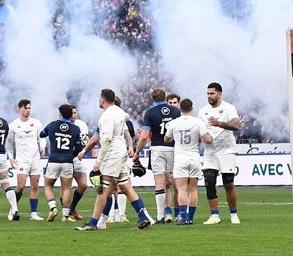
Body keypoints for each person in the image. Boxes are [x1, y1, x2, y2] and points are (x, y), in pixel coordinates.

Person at [75, 88, 154, 231]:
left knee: (102, 190)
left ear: (103, 99)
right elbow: (126, 125)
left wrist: (99, 160)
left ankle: (93, 223)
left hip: (112, 154)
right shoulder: (119, 112)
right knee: (126, 187)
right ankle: (143, 218)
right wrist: (129, 146)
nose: (99, 100)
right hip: (121, 152)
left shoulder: (106, 117)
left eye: (100, 98)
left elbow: (106, 140)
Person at [135, 88, 181, 223]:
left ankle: (161, 216)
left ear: (152, 98)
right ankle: (179, 213)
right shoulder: (175, 111)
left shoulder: (150, 113)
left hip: (157, 148)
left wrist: (137, 152)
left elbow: (144, 137)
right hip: (173, 148)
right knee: (176, 183)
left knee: (160, 183)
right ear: (165, 97)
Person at [165, 98, 212, 224]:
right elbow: (208, 138)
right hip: (194, 158)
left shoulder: (173, 123)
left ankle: (183, 217)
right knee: (193, 190)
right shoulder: (198, 122)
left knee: (181, 190)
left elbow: (167, 139)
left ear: (180, 108)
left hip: (180, 158)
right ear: (192, 108)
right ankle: (190, 218)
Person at [200, 82, 241, 225]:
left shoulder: (229, 108)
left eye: (212, 93)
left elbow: (236, 125)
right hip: (210, 152)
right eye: (208, 93)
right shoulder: (202, 111)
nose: (209, 96)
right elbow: (201, 130)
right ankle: (214, 216)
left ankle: (234, 214)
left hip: (226, 151)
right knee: (209, 182)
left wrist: (219, 124)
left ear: (219, 94)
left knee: (228, 184)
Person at [40, 104, 82, 221]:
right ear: (70, 115)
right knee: (66, 188)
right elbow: (79, 149)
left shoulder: (52, 125)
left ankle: (53, 208)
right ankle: (65, 216)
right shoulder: (75, 129)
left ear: (60, 114)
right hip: (68, 161)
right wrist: (69, 154)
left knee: (48, 185)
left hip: (53, 159)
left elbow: (41, 134)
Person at [8, 98, 45, 220]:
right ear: (20, 109)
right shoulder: (13, 125)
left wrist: (43, 146)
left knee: (35, 185)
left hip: (35, 158)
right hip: (22, 159)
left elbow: (42, 137)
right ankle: (13, 209)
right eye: (26, 108)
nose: (28, 110)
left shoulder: (36, 123)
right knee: (21, 186)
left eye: (29, 108)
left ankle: (33, 213)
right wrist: (11, 157)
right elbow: (9, 143)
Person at [68, 105, 91, 220]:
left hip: (77, 158)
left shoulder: (81, 124)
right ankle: (65, 212)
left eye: (75, 112)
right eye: (71, 112)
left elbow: (86, 140)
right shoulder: (62, 125)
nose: (73, 115)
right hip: (64, 159)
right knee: (66, 186)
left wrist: (85, 148)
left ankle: (72, 208)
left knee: (83, 185)